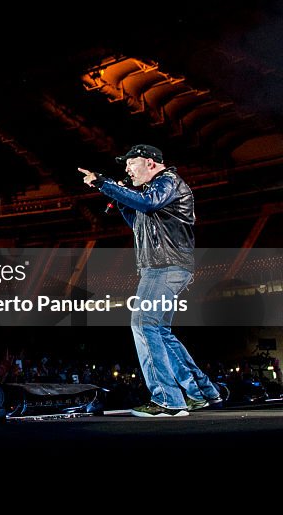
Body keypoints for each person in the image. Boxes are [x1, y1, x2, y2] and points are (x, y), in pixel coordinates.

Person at [79, 144, 222, 418]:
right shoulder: (153, 191)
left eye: (131, 164)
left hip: (165, 266)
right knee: (161, 332)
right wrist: (121, 198)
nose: (128, 170)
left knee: (143, 324)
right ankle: (200, 392)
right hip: (162, 267)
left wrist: (105, 183)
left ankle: (167, 400)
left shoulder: (168, 182)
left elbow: (147, 203)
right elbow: (138, 221)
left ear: (151, 163)